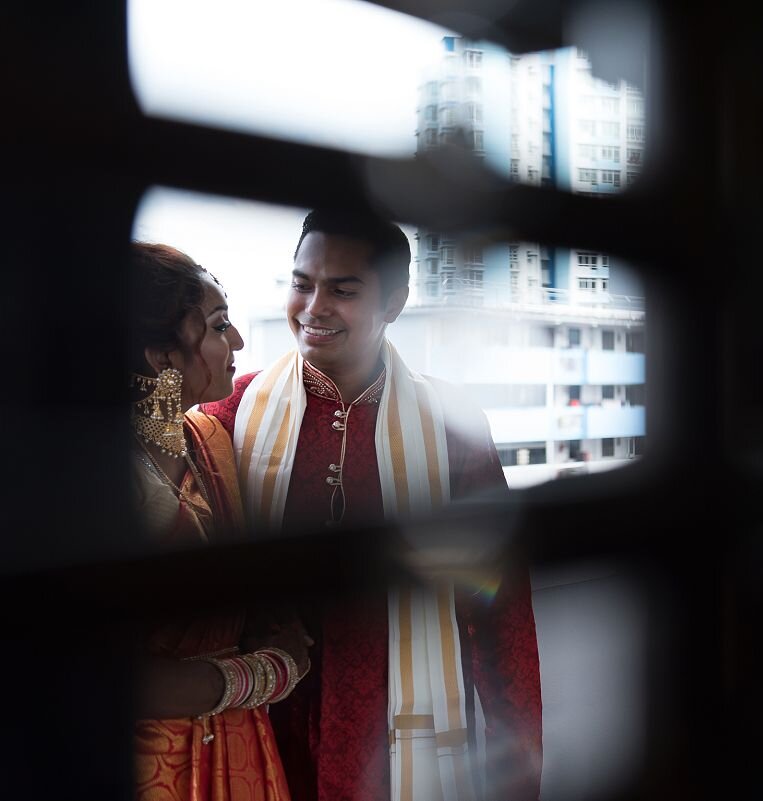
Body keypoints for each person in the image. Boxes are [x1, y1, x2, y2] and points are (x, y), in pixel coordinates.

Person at [204, 211, 542, 801]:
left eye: (343, 289)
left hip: (394, 735)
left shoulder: (451, 428)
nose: (313, 307)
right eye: (302, 283)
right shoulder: (230, 417)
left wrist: (519, 765)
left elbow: (499, 606)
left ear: (395, 302)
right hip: (267, 726)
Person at [128, 242, 311, 801]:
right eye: (218, 326)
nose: (236, 341)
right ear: (161, 357)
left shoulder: (208, 437)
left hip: (237, 754)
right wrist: (270, 672)